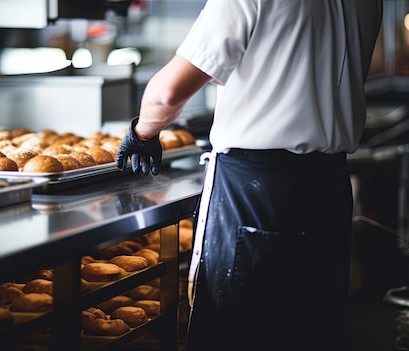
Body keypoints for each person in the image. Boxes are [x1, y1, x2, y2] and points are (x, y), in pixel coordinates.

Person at [116, 1, 382, 350]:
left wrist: (143, 133)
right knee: (311, 329)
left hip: (259, 191)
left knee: (239, 332)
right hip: (329, 186)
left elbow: (168, 93)